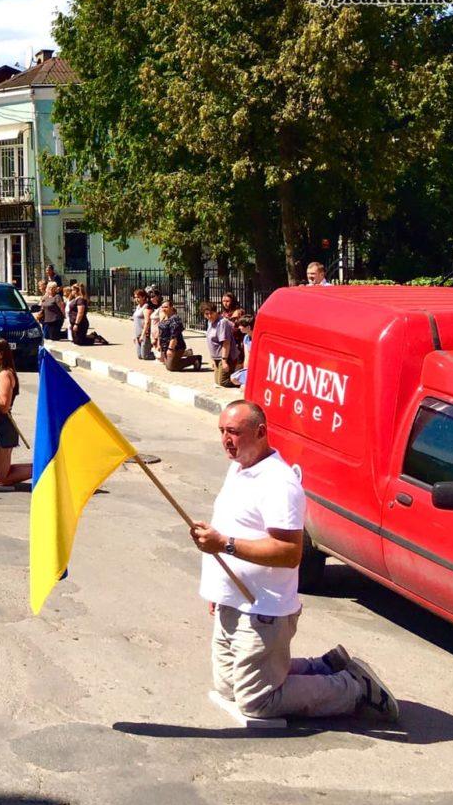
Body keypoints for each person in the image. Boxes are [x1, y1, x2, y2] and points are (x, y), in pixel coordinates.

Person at [191, 401, 398, 721]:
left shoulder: (279, 484)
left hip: (262, 610)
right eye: (221, 431)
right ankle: (325, 666)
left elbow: (289, 553)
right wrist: (219, 592)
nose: (225, 440)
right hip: (232, 600)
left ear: (260, 432)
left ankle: (352, 687)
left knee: (257, 702)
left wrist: (224, 545)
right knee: (228, 688)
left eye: (233, 432)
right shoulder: (239, 469)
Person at [0, 338, 31, 488]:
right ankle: (41, 467)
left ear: (1, 354)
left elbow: (3, 405)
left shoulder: (5, 375)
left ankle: (44, 468)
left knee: (1, 479)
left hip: (1, 425)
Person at [155, 300, 202, 371]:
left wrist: (170, 349)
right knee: (168, 365)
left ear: (171, 307)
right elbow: (160, 332)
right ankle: (186, 353)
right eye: (162, 307)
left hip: (176, 347)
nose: (164, 309)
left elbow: (174, 335)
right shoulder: (164, 318)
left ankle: (195, 359)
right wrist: (159, 344)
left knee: (171, 367)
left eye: (166, 307)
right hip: (165, 346)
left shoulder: (175, 319)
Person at [203, 301, 237, 388]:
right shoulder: (210, 322)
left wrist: (224, 360)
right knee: (217, 382)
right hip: (216, 357)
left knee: (223, 382)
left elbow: (226, 343)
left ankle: (243, 382)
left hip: (225, 356)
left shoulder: (222, 323)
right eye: (207, 314)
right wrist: (213, 359)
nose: (209, 316)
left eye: (211, 313)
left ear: (216, 312)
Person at [131, 289, 154, 360]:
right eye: (135, 297)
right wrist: (134, 336)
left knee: (145, 356)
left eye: (138, 297)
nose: (136, 299)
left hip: (144, 334)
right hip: (137, 333)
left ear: (143, 297)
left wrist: (143, 335)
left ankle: (160, 354)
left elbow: (147, 322)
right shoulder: (138, 307)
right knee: (139, 356)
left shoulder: (146, 307)